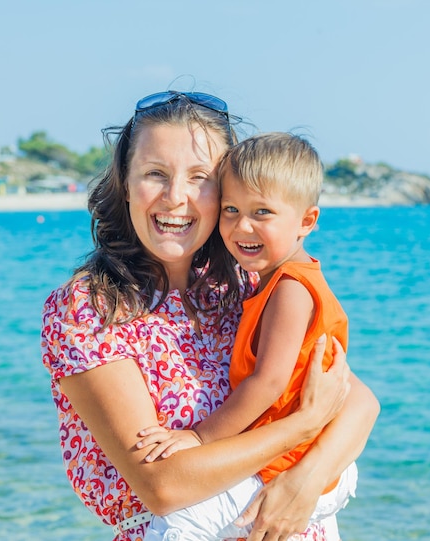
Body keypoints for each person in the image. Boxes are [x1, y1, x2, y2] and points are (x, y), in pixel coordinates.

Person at [41, 90, 380, 541]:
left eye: (200, 178)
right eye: (155, 174)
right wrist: (303, 425)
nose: (176, 198)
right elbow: (163, 485)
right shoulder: (92, 307)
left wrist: (306, 479)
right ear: (125, 183)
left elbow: (358, 401)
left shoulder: (245, 285)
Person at [140, 133, 359, 541]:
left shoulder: (291, 288)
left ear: (307, 221)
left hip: (291, 465)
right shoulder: (269, 281)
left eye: (262, 212)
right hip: (295, 460)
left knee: (182, 524)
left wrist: (199, 437)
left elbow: (270, 381)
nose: (242, 226)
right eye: (231, 209)